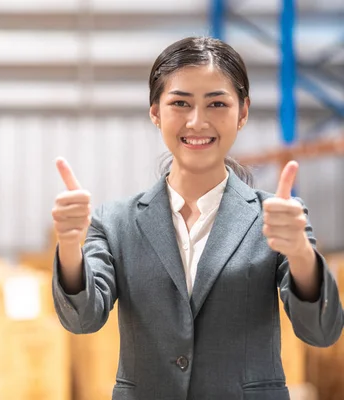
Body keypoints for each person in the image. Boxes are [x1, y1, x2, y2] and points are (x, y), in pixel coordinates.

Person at [51, 36, 344, 400]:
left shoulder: (279, 218)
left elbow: (321, 331)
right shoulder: (116, 223)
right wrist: (68, 243)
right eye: (180, 103)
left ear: (243, 112)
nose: (197, 121)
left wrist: (300, 253)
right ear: (155, 112)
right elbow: (82, 319)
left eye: (217, 103)